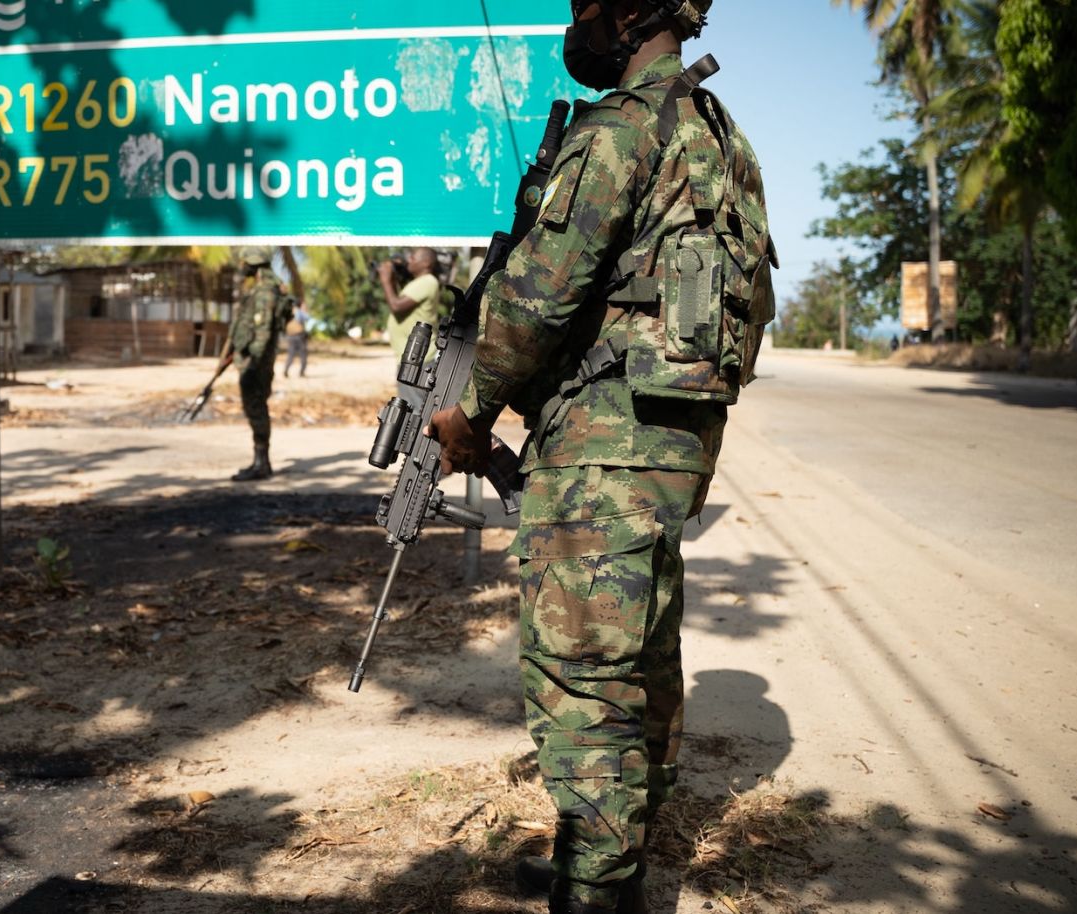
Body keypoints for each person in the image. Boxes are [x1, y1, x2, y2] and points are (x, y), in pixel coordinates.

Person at [424, 1, 773, 911]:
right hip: (666, 442)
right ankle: (609, 863)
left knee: (581, 678)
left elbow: (541, 292)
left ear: (631, 10)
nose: (573, 22)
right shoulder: (722, 142)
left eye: (585, 4)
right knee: (640, 654)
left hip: (601, 442)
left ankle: (596, 891)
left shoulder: (621, 130)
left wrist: (470, 410)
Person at [221, 246, 291, 480]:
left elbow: (262, 332)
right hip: (254, 357)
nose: (242, 267)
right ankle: (260, 461)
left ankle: (261, 464)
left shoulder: (265, 292)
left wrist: (252, 362)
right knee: (256, 407)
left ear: (253, 264)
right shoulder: (267, 288)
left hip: (256, 360)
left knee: (256, 408)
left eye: (245, 263)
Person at [380, 247, 447, 352]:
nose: (408, 260)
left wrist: (385, 279)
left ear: (426, 263)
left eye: (413, 258)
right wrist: (391, 280)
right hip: (412, 357)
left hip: (420, 358)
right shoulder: (419, 282)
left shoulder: (428, 281)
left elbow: (396, 306)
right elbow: (395, 300)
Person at [284, 299, 312, 378]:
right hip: (300, 336)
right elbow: (307, 318)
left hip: (290, 336)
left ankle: (286, 370)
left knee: (291, 355)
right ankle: (302, 372)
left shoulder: (288, 313)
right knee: (303, 355)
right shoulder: (299, 312)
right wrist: (303, 310)